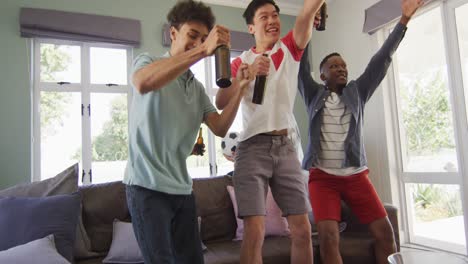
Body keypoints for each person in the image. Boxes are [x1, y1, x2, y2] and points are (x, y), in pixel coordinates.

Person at [123, 1, 253, 263]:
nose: (198, 43)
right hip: (146, 187)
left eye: (204, 39)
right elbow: (142, 83)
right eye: (192, 35)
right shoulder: (148, 62)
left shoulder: (196, 89)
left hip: (182, 190)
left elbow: (220, 127)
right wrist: (205, 49)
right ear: (173, 33)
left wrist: (240, 87)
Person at [297, 0, 425, 263]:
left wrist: (403, 22)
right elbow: (300, 63)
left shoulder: (357, 92)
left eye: (343, 65)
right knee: (330, 237)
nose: (341, 68)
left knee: (385, 233)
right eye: (334, 66)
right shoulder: (312, 95)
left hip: (355, 175)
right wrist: (309, 22)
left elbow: (381, 60)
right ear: (322, 76)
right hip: (323, 179)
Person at [216, 0, 324, 263]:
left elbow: (308, 10)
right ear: (252, 27)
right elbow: (220, 101)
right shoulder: (240, 62)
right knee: (255, 232)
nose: (273, 20)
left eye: (275, 15)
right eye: (264, 16)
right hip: (252, 148)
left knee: (302, 229)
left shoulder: (289, 48)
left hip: (285, 147)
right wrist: (247, 75)